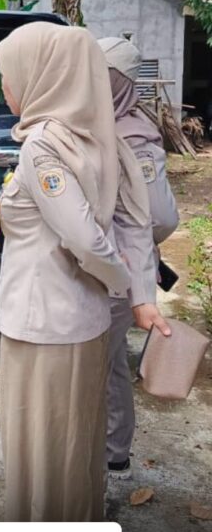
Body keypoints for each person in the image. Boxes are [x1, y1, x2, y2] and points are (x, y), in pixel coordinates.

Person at [0, 22, 165, 522]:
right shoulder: (102, 138)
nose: (4, 85)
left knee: (41, 446)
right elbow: (135, 222)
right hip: (85, 320)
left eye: (9, 74)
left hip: (42, 325)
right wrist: (137, 295)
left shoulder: (43, 146)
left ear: (43, 76)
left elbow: (85, 238)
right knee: (76, 442)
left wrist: (120, 280)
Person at [98, 36, 180, 481]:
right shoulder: (93, 124)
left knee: (105, 365)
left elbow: (161, 218)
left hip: (119, 274)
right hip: (95, 271)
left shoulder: (134, 137)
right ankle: (107, 449)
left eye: (101, 76)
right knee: (101, 362)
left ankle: (113, 454)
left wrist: (128, 250)